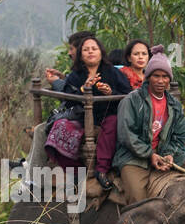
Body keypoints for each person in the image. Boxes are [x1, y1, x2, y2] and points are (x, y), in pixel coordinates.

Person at [113, 46, 185, 202]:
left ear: (169, 79)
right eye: (156, 76)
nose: (161, 81)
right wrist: (150, 154)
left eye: (165, 76)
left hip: (164, 153)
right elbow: (126, 135)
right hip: (135, 157)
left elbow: (180, 135)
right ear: (148, 77)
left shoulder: (174, 105)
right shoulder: (132, 100)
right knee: (137, 197)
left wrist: (170, 154)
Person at [51, 34, 132, 188]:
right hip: (81, 117)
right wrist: (84, 88)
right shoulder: (75, 75)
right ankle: (74, 172)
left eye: (94, 49)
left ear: (101, 52)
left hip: (107, 115)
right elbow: (68, 99)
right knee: (58, 127)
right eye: (86, 49)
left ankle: (101, 170)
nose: (90, 52)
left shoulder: (112, 72)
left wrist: (110, 92)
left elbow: (127, 94)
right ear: (81, 55)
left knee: (112, 122)